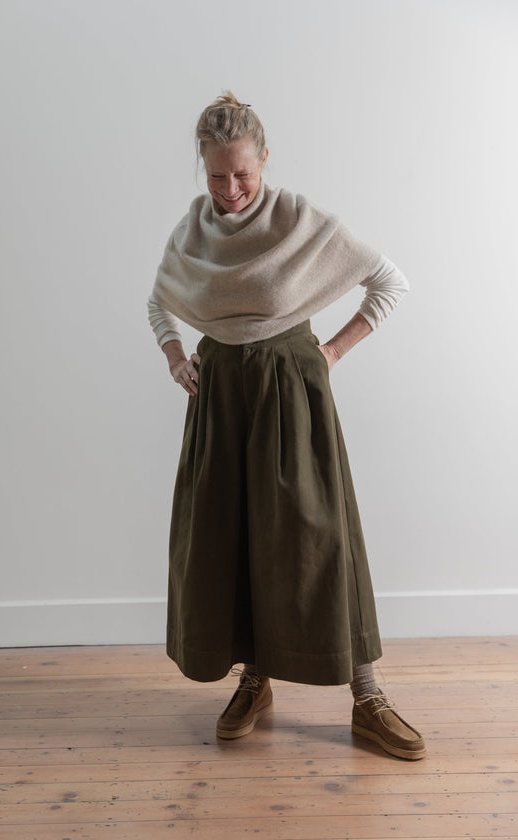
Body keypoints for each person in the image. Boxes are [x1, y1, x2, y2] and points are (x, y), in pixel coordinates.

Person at [148, 92, 426, 760]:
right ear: (203, 168)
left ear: (265, 158)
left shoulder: (300, 221)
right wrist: (175, 356)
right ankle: (254, 680)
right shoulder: (191, 232)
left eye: (243, 173)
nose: (231, 190)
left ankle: (367, 694)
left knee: (319, 538)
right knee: (233, 538)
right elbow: (159, 302)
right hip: (221, 395)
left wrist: (331, 353)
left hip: (290, 389)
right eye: (217, 175)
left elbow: (389, 282)